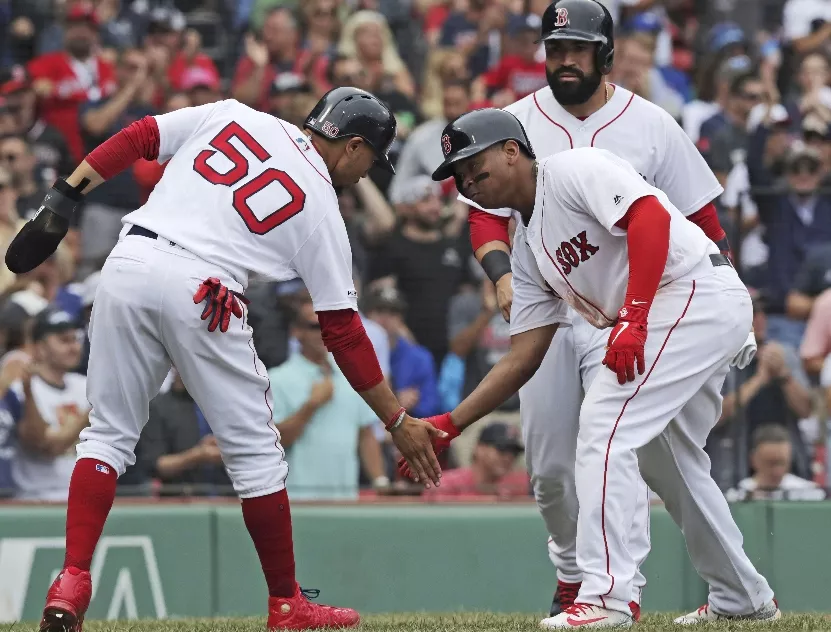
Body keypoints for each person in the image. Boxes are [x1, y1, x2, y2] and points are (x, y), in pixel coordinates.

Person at [14, 87, 445, 632]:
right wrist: (396, 418)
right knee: (257, 457)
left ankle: (71, 580)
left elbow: (141, 136)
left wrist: (63, 196)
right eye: (369, 161)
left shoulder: (233, 114)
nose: (365, 175)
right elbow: (342, 330)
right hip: (205, 291)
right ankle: (287, 604)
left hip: (127, 263)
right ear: (353, 145)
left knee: (106, 436)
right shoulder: (324, 210)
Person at [450, 0, 754, 618]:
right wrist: (452, 422)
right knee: (648, 462)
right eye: (556, 48)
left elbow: (678, 218)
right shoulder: (516, 162)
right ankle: (741, 596)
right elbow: (523, 342)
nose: (566, 60)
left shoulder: (613, 144)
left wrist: (653, 313)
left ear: (605, 54)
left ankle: (607, 596)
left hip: (673, 299)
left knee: (607, 433)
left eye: (579, 49)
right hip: (609, 309)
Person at [268, 302, 388, 501]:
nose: (324, 332)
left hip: (346, 499)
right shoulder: (276, 379)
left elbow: (366, 434)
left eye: (329, 325)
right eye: (316, 326)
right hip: (298, 499)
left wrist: (380, 481)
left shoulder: (352, 374)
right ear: (296, 332)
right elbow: (275, 442)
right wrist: (311, 405)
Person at [11, 308, 89, 502]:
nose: (74, 347)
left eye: (75, 339)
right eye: (64, 340)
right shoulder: (22, 389)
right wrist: (93, 410)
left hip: (83, 497)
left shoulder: (85, 385)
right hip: (38, 499)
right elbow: (47, 446)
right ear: (40, 348)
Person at [425, 421, 529, 498]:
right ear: (480, 449)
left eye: (514, 452)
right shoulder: (446, 485)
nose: (508, 457)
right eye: (501, 449)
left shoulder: (518, 485)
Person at [725, 424, 825, 502]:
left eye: (782, 463)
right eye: (770, 463)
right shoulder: (738, 495)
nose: (777, 471)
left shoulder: (807, 493)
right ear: (753, 460)